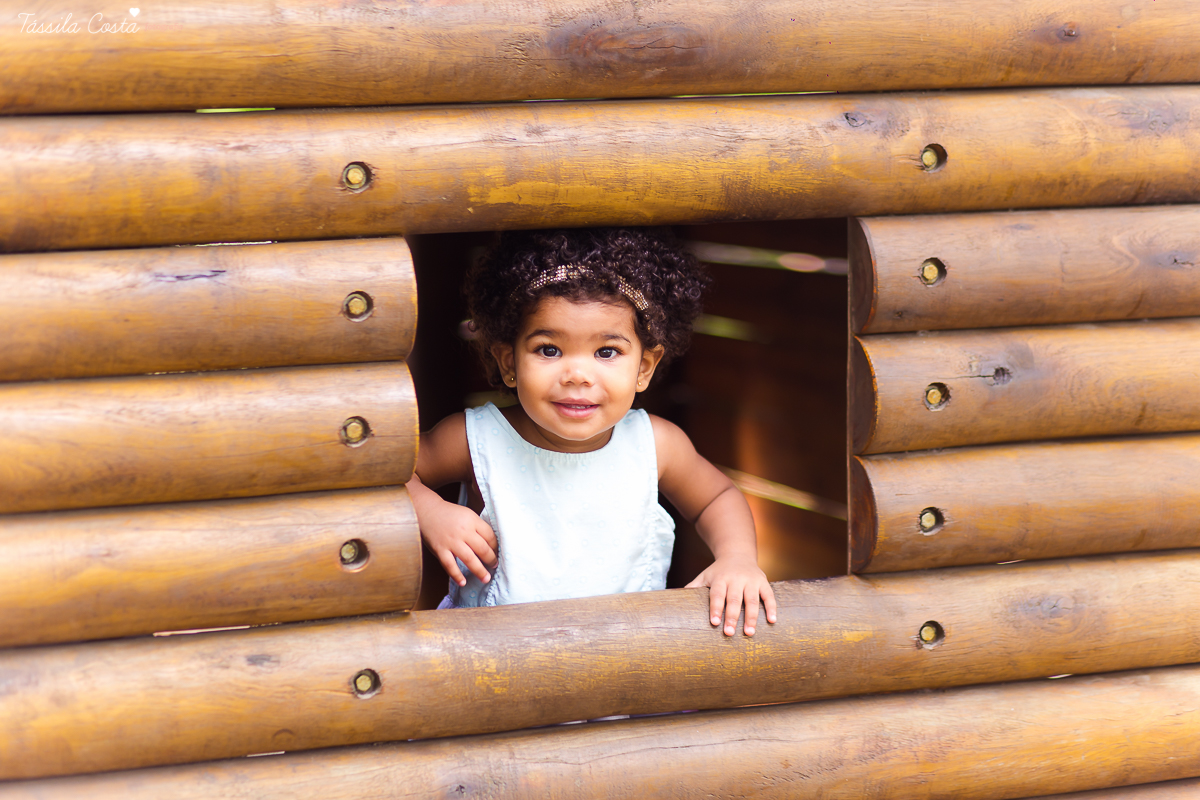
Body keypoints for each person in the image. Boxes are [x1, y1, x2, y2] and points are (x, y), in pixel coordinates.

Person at [408, 227, 777, 636]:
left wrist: (737, 558)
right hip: (494, 671)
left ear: (644, 368)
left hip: (627, 670)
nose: (578, 375)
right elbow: (390, 473)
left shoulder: (656, 445)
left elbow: (718, 497)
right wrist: (430, 511)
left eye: (607, 352)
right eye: (549, 349)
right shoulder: (474, 438)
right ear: (508, 361)